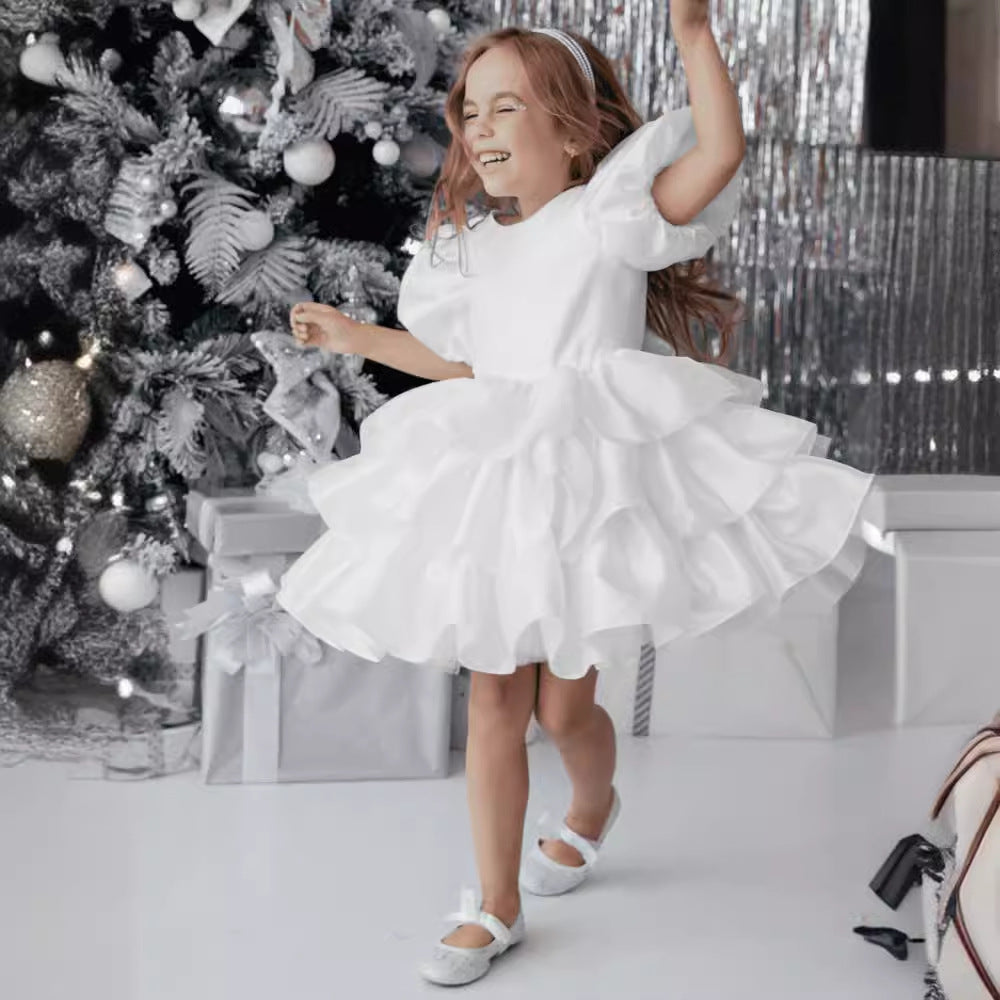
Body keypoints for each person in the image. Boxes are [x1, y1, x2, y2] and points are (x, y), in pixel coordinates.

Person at [281, 3, 874, 988]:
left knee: (565, 711)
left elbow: (718, 152)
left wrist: (693, 39)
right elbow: (466, 359)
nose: (477, 130)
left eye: (505, 108)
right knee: (494, 699)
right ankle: (493, 901)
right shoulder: (474, 245)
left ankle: (593, 805)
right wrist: (359, 339)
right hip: (498, 476)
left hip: (584, 478)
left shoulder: (609, 215)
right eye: (469, 113)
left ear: (571, 128)